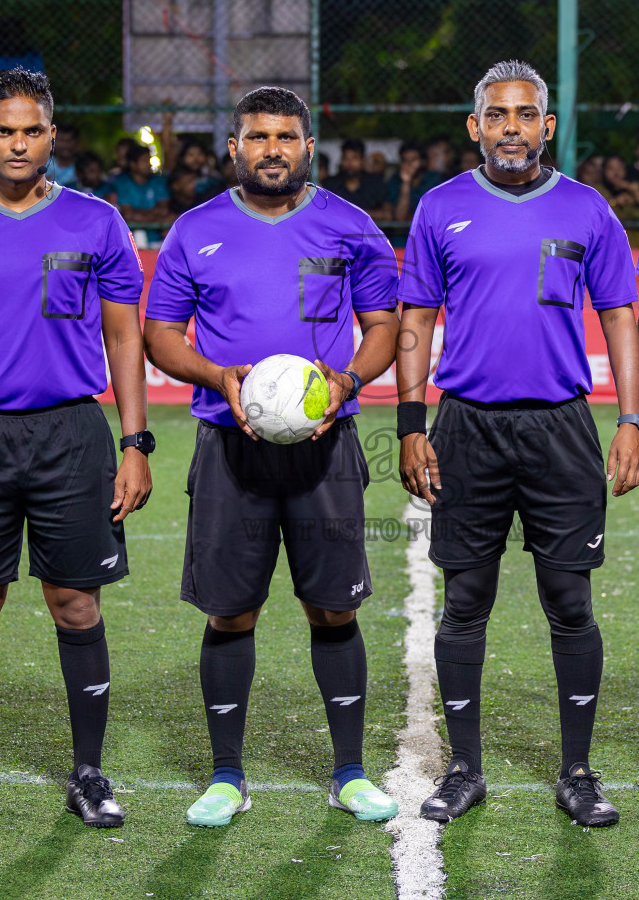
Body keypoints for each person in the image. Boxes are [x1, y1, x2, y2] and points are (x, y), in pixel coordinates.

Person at [143, 86, 402, 828]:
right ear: (235, 147)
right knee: (231, 612)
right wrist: (217, 378)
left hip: (327, 448)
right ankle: (227, 776)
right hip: (229, 447)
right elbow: (163, 335)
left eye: (286, 137)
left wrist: (348, 381)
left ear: (307, 146)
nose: (272, 149)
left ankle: (349, 772)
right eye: (258, 137)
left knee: (334, 605)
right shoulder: (196, 231)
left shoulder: (350, 227)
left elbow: (382, 325)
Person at [398, 60, 639, 828]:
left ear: (547, 125)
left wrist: (633, 419)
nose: (512, 127)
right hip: (466, 424)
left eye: (526, 114)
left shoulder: (588, 208)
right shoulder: (440, 208)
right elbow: (415, 320)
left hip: (561, 428)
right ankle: (465, 769)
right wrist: (411, 426)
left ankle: (577, 771)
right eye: (497, 115)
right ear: (475, 127)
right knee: (465, 599)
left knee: (569, 600)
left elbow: (620, 317)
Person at [0, 68, 152, 829]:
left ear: (52, 135)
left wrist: (134, 440)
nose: (17, 142)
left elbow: (122, 333)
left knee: (75, 603)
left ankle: (89, 774)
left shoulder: (96, 221)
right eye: (3, 130)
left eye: (31, 130)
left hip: (71, 433)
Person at [103, 144, 170, 225]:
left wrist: (139, 214)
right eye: (144, 161)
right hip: (131, 235)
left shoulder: (158, 181)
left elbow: (164, 210)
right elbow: (128, 214)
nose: (149, 164)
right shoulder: (122, 183)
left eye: (149, 160)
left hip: (157, 235)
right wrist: (154, 215)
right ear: (133, 164)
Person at [322, 139, 387, 215]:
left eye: (355, 158)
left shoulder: (376, 184)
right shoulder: (330, 184)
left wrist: (355, 214)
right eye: (346, 158)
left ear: (362, 161)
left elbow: (387, 214)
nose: (350, 163)